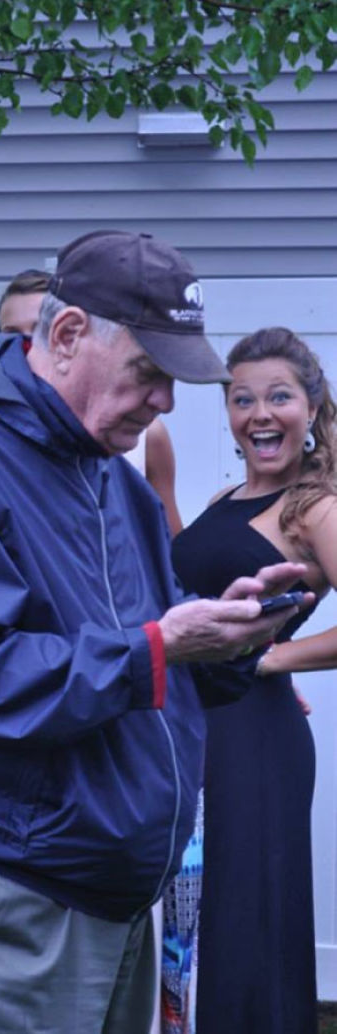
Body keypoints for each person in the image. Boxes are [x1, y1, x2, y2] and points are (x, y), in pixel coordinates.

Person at [0, 230, 309, 1034]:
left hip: (111, 894)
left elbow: (152, 652)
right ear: (69, 334)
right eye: (149, 371)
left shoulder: (115, 479)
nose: (165, 401)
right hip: (5, 890)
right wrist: (157, 647)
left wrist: (232, 635)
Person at [172, 327, 337, 1034]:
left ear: (311, 408)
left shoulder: (315, 507)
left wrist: (267, 662)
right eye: (242, 400)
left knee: (245, 925)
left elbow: (256, 641)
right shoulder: (227, 498)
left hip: (256, 741)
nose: (259, 414)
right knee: (193, 922)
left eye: (279, 397)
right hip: (195, 726)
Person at [0, 267, 183, 534]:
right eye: (12, 335)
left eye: (39, 330)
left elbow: (167, 538)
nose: (26, 345)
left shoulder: (145, 435)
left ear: (66, 334)